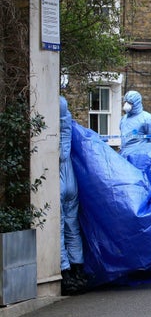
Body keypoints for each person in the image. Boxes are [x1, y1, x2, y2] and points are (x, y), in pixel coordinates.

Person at [59, 96, 87, 295]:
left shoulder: (50, 126)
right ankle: (79, 269)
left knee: (58, 230)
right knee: (72, 228)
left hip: (57, 181)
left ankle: (65, 273)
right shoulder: (67, 122)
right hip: (71, 181)